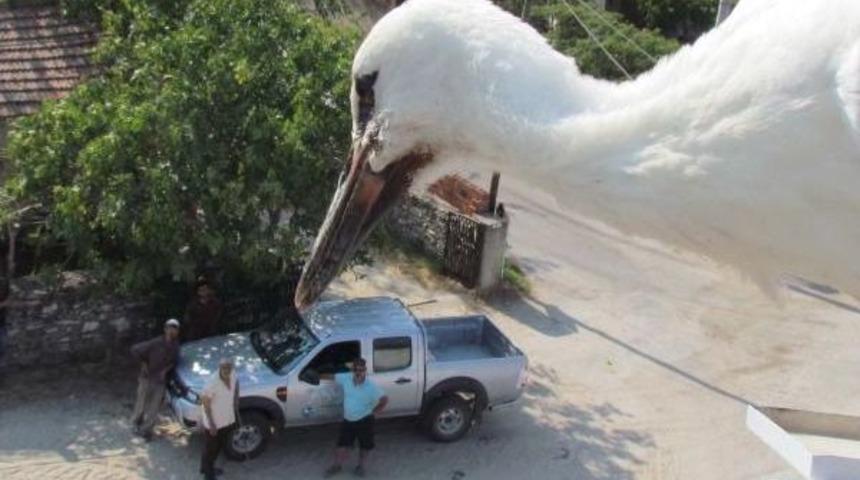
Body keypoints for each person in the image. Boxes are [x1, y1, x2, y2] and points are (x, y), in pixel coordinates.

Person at [324, 358, 388, 478]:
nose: (358, 372)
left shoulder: (371, 386)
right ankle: (336, 466)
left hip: (365, 420)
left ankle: (361, 467)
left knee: (365, 446)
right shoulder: (346, 378)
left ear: (365, 370)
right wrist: (316, 376)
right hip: (348, 420)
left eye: (361, 370)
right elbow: (331, 376)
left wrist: (374, 412)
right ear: (352, 370)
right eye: (356, 370)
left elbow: (384, 400)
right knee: (341, 445)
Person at [130, 318, 181, 441]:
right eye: (169, 328)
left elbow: (173, 362)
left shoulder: (176, 346)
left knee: (154, 407)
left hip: (160, 381)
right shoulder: (156, 342)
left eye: (174, 329)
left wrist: (165, 371)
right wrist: (144, 365)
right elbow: (135, 350)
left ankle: (146, 430)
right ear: (165, 329)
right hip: (147, 378)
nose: (172, 331)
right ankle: (136, 424)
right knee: (141, 403)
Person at [200, 357, 239, 480]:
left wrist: (236, 400)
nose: (226, 370)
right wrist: (211, 424)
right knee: (211, 449)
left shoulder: (233, 374)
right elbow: (205, 403)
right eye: (223, 368)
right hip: (214, 422)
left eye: (228, 367)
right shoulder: (212, 383)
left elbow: (236, 384)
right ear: (219, 368)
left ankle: (205, 468)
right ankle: (208, 475)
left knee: (218, 447)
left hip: (226, 418)